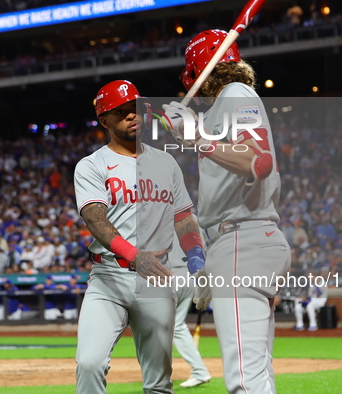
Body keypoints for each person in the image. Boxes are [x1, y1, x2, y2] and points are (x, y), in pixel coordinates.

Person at [163, 30, 291, 393]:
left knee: (245, 383)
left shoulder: (236, 94)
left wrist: (195, 136)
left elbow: (258, 161)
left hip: (242, 241)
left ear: (196, 71)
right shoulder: (226, 105)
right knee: (258, 375)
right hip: (239, 242)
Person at [74, 79, 206, 394]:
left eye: (134, 109)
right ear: (104, 121)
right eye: (121, 112)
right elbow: (95, 219)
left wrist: (198, 259)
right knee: (89, 363)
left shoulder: (165, 162)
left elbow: (184, 219)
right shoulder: (93, 165)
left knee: (159, 382)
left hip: (158, 281)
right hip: (109, 276)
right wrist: (135, 256)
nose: (132, 116)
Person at [169, 225, 211, 388]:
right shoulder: (196, 223)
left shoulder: (159, 215)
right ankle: (199, 370)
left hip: (170, 274)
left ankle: (199, 370)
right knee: (176, 325)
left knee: (163, 325)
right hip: (191, 275)